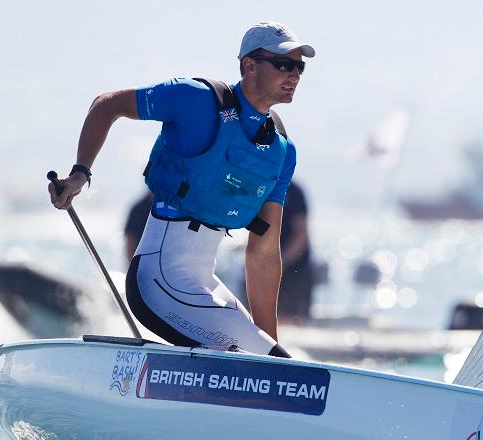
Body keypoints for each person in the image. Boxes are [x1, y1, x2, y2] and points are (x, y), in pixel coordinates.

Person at [48, 21, 315, 358]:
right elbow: (107, 104)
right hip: (157, 280)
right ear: (249, 65)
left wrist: (273, 353)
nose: (293, 75)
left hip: (204, 284)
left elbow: (262, 255)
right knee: (257, 359)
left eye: (299, 67)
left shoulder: (281, 150)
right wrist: (79, 174)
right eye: (283, 64)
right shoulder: (195, 99)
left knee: (271, 360)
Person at [278, 180, 314, 322]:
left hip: (295, 268)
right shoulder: (265, 185)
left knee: (292, 319)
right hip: (270, 263)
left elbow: (301, 234)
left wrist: (281, 262)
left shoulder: (294, 191)